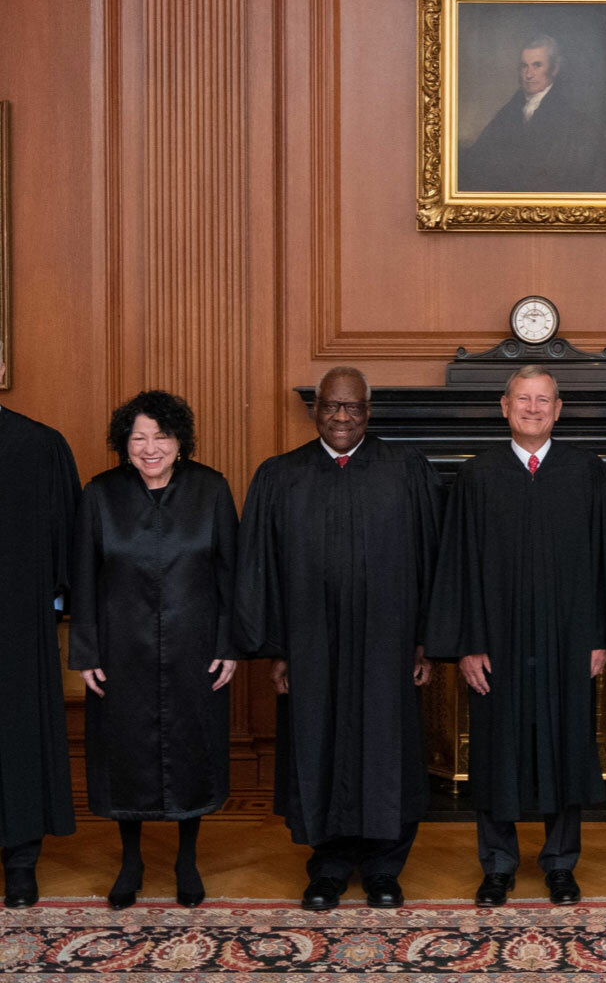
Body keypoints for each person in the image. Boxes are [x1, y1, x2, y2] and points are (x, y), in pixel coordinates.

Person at [234, 367, 444, 911]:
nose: (342, 417)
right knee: (316, 743)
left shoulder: (407, 471)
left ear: (368, 412)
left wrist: (426, 640)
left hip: (389, 644)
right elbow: (262, 569)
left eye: (352, 408)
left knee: (386, 747)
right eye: (331, 406)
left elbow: (433, 562)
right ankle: (326, 867)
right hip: (311, 645)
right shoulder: (281, 476)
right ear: (315, 410)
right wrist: (277, 647)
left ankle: (383, 869)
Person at [425, 365, 606, 907]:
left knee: (567, 742)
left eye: (543, 400)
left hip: (569, 637)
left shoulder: (587, 472)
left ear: (558, 410)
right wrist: (466, 642)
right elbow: (457, 568)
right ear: (504, 406)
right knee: (496, 748)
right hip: (497, 641)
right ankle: (498, 864)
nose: (533, 409)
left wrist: (602, 635)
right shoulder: (477, 477)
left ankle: (561, 864)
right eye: (523, 399)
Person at [68, 391, 237, 910]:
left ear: (179, 441)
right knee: (127, 755)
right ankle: (132, 861)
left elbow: (232, 575)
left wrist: (230, 644)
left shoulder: (211, 490)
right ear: (124, 443)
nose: (149, 448)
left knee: (191, 752)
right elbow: (84, 580)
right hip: (122, 651)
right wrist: (87, 652)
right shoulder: (100, 494)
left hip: (196, 649)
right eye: (138, 437)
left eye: (160, 437)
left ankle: (187, 860)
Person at [0, 341, 81, 909]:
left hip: (15, 625)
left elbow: (67, 543)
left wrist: (49, 610)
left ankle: (21, 861)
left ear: (2, 368)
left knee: (18, 736)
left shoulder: (38, 446)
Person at [458, 34, 606, 194]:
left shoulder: (575, 123)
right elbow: (480, 157)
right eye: (525, 66)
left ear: (555, 68)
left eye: (537, 65)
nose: (529, 74)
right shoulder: (509, 113)